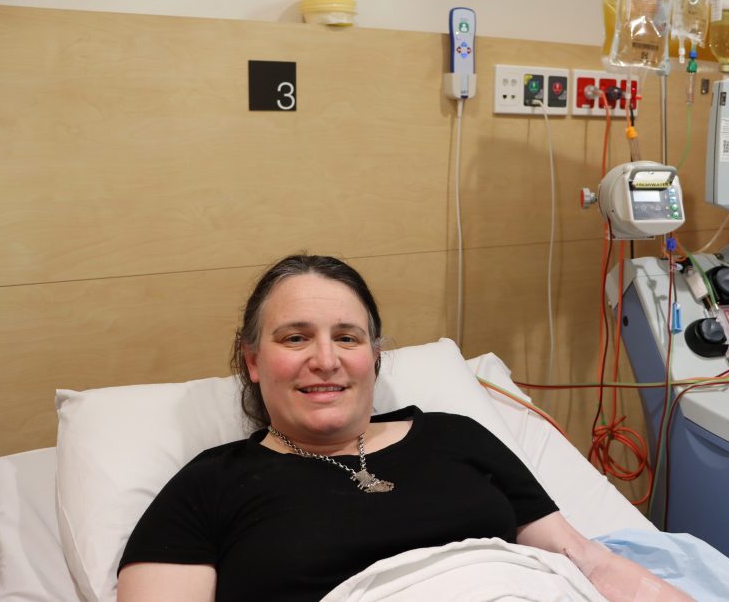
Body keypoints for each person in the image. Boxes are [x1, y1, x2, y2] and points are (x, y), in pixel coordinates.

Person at [117, 254, 694, 602]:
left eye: (347, 337)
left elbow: (584, 560)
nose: (326, 359)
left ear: (374, 356)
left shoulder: (454, 437)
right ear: (252, 361)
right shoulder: (210, 486)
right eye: (295, 338)